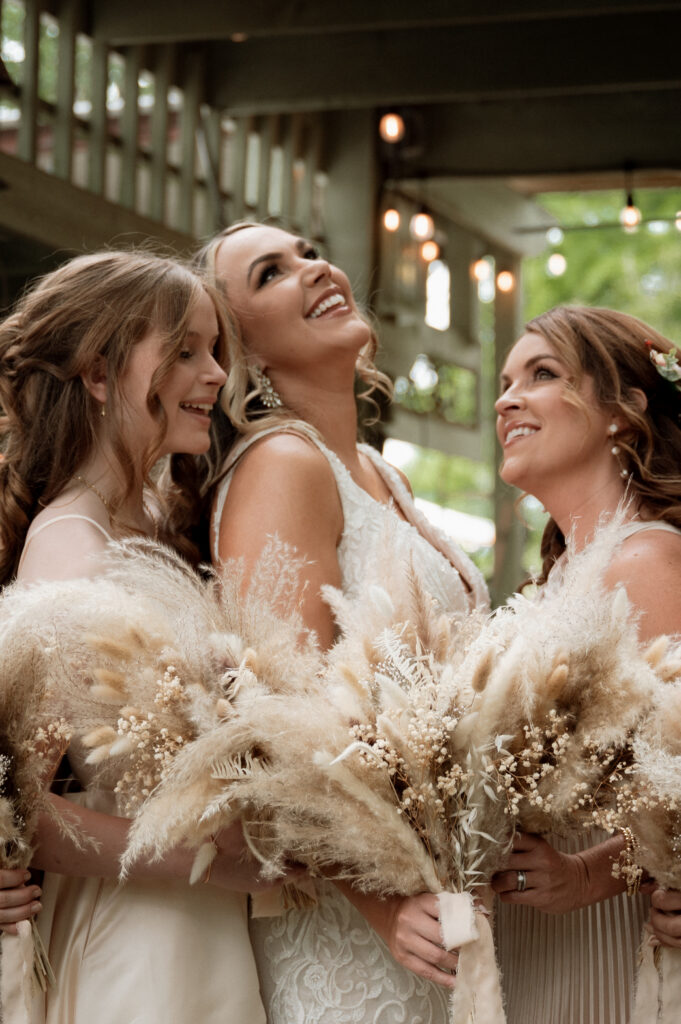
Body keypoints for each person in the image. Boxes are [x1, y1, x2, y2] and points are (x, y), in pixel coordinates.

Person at [192, 221, 490, 1023]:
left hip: (437, 883)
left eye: (309, 252)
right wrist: (380, 905)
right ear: (242, 349)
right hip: (356, 920)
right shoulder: (281, 465)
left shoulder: (380, 473)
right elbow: (281, 724)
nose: (313, 268)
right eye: (270, 273)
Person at [0, 250, 268, 1024]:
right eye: (183, 351)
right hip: (137, 940)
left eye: (214, 349)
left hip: (210, 932)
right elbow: (26, 808)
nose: (215, 374)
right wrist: (217, 864)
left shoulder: (162, 527)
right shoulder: (70, 547)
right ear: (97, 373)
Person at [490, 305, 681, 1024]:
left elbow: (679, 788)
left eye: (542, 375)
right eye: (505, 381)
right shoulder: (558, 574)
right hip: (534, 928)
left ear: (623, 413)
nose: (507, 398)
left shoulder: (647, 559)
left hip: (606, 935)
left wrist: (585, 877)